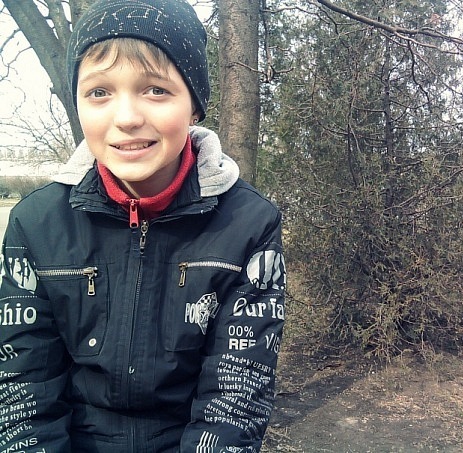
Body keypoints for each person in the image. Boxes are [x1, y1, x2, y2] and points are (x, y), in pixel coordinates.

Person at [0, 0, 286, 451]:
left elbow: (235, 397)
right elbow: (24, 387)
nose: (127, 117)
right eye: (99, 92)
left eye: (155, 90)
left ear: (194, 106)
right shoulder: (35, 223)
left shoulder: (249, 222)